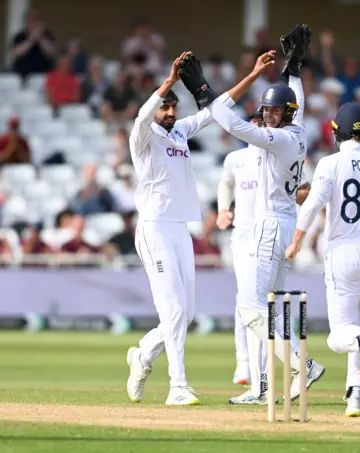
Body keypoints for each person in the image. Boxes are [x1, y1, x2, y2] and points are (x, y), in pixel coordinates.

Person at [178, 25, 325, 405]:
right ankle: (262, 388)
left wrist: (202, 93)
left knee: (250, 306)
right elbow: (300, 102)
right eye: (268, 110)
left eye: (277, 111)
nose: (270, 116)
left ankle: (302, 364)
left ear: (286, 115)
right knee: (269, 307)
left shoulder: (280, 139)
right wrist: (294, 68)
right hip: (279, 225)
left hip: (268, 226)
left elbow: (234, 125)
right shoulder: (298, 128)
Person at [125, 51, 242, 406]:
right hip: (154, 228)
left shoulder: (179, 133)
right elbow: (144, 115)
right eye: (166, 107)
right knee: (174, 312)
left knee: (185, 315)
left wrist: (251, 75)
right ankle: (178, 386)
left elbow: (213, 111)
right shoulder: (142, 138)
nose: (171, 113)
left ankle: (143, 354)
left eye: (174, 108)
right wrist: (169, 81)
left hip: (180, 230)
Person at [285, 102, 360, 417]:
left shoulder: (330, 163)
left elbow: (311, 206)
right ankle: (356, 398)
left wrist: (296, 242)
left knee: (340, 336)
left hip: (344, 249)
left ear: (337, 132)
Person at [217, 111, 311, 388]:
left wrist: (301, 201)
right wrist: (224, 209)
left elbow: (303, 189)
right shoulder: (236, 159)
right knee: (247, 301)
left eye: (264, 121)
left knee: (263, 302)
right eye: (256, 121)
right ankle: (245, 363)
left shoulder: (279, 154)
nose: (261, 125)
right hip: (245, 235)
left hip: (270, 232)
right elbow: (225, 182)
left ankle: (270, 374)